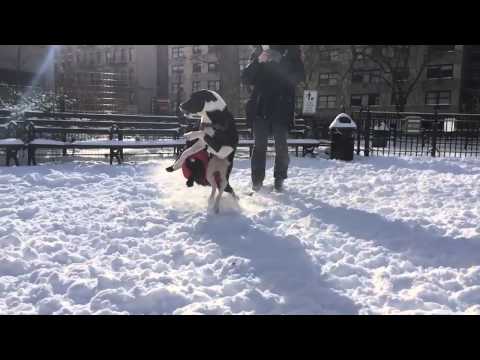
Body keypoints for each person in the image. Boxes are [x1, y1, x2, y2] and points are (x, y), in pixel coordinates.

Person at [241, 45, 305, 192]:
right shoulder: (259, 50)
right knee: (259, 147)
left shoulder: (293, 51)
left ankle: (279, 179)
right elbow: (246, 78)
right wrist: (258, 61)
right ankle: (257, 181)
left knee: (281, 146)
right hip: (260, 107)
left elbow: (298, 77)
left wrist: (281, 61)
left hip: (281, 108)